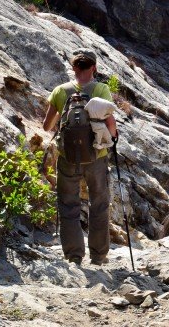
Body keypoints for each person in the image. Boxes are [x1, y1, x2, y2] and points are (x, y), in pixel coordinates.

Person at [42, 48, 118, 265]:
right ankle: (98, 256)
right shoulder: (101, 89)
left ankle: (74, 255)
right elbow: (110, 123)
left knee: (69, 205)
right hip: (96, 156)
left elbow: (47, 126)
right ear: (94, 67)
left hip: (67, 158)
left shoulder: (60, 91)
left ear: (74, 68)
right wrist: (112, 137)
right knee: (99, 205)